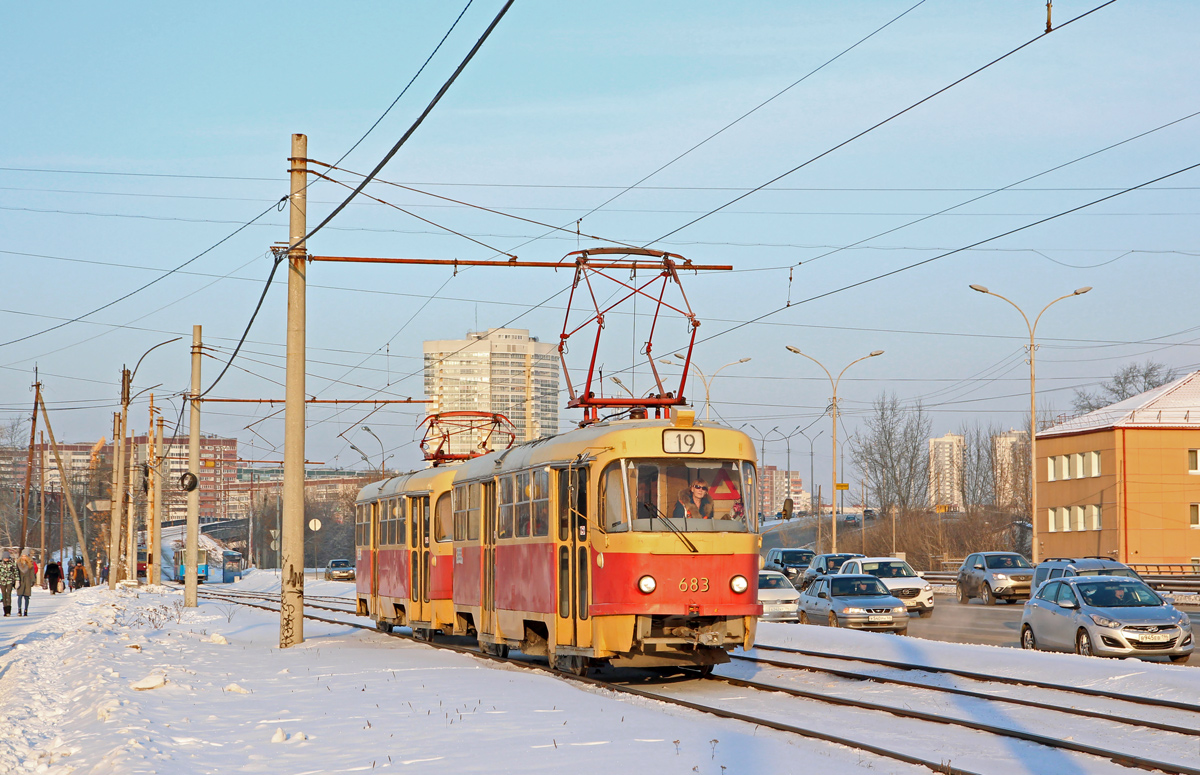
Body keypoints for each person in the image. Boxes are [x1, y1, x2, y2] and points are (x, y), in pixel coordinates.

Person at [16, 550, 36, 616]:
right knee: (20, 596)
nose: (24, 557)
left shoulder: (30, 564)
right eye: (22, 556)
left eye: (25, 556)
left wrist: (32, 581)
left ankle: (26, 610)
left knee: (26, 596)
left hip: (27, 581)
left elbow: (32, 573)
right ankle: (19, 610)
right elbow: (16, 572)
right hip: (20, 580)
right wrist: (15, 581)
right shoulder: (18, 563)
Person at [0, 551, 17, 616]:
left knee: (8, 595)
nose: (6, 559)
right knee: (4, 595)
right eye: (5, 558)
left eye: (7, 558)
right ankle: (5, 610)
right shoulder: (0, 563)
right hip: (2, 581)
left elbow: (15, 572)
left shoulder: (12, 563)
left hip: (9, 581)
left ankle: (8, 611)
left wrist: (17, 580)